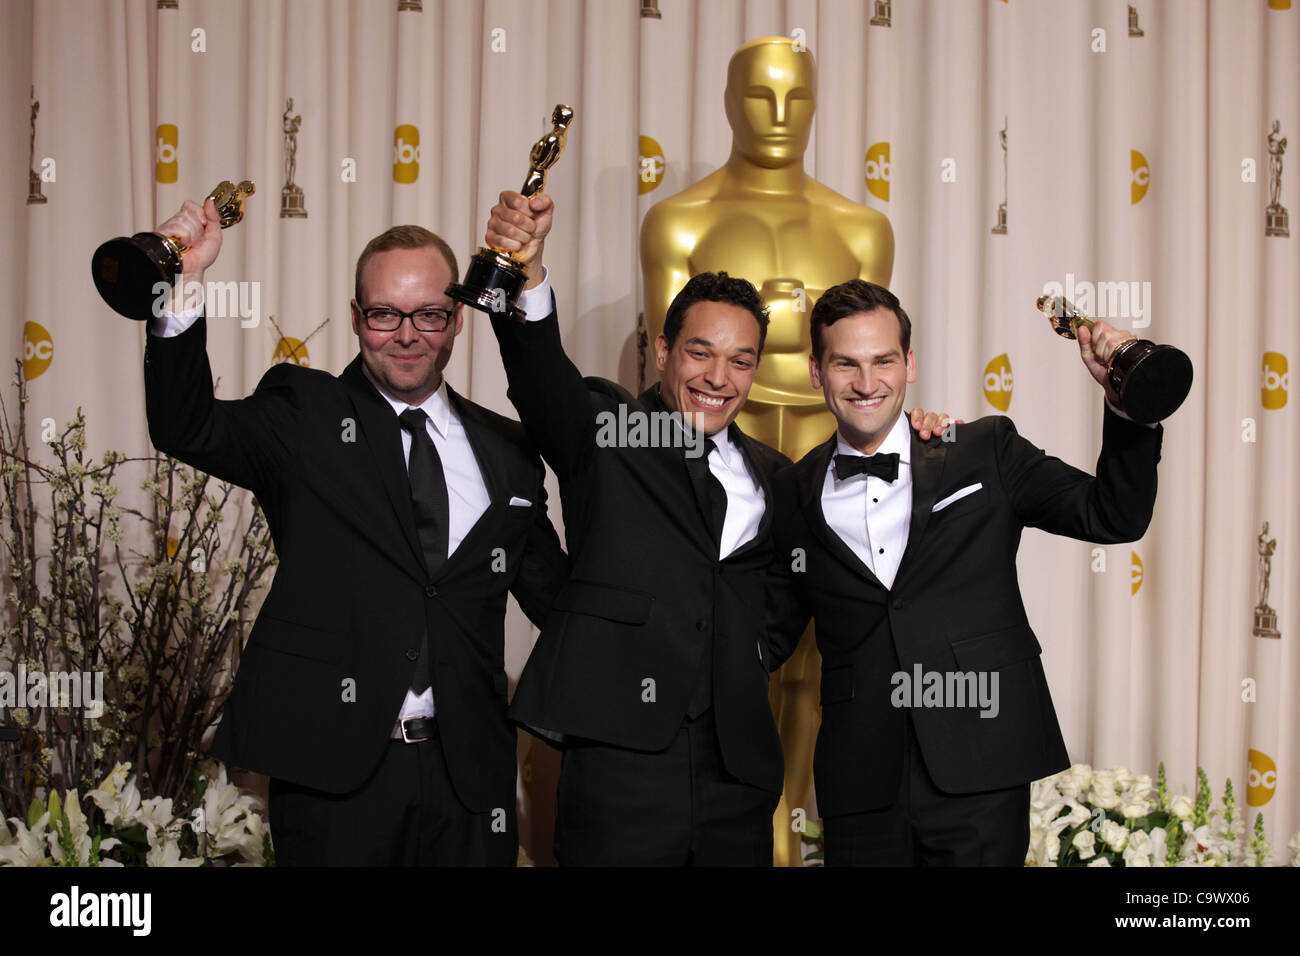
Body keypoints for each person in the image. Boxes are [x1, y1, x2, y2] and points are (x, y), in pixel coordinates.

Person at [481, 192, 946, 865]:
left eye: (741, 360)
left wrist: (746, 651)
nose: (718, 378)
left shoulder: (781, 476)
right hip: (621, 762)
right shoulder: (609, 430)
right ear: (665, 350)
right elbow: (537, 376)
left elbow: (789, 597)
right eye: (701, 353)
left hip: (741, 772)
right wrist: (525, 272)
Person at [142, 197, 566, 865]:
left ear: (457, 318)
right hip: (336, 783)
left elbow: (559, 603)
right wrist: (181, 281)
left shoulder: (509, 450)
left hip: (471, 782)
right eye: (384, 314)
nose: (406, 334)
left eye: (429, 313)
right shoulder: (305, 416)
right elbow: (185, 426)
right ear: (355, 319)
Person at [767, 279, 1165, 865]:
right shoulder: (793, 491)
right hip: (860, 779)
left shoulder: (984, 450)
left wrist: (1126, 404)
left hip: (982, 760)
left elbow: (1112, 515)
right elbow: (769, 629)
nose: (868, 382)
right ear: (815, 371)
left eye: (884, 361)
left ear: (910, 364)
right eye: (845, 363)